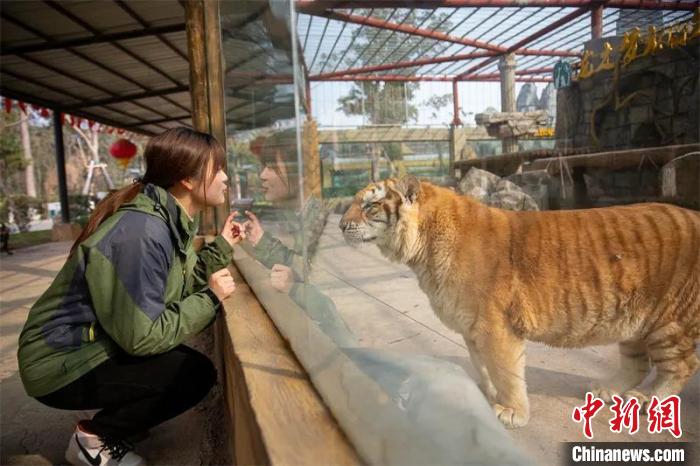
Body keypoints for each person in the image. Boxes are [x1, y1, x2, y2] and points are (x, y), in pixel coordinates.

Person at [17, 128, 246, 466]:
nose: (225, 177)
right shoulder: (142, 232)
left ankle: (124, 421)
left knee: (183, 365)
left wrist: (222, 246)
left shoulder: (167, 221)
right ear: (186, 178)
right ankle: (95, 439)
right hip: (58, 361)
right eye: (218, 168)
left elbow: (177, 287)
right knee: (190, 374)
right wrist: (210, 299)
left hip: (91, 344)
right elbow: (141, 338)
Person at [240, 132, 355, 346]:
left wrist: (294, 287)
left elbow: (331, 305)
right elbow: (302, 265)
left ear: (300, 173)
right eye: (264, 166)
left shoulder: (325, 225)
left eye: (272, 167)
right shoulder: (305, 216)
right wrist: (260, 239)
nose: (263, 175)